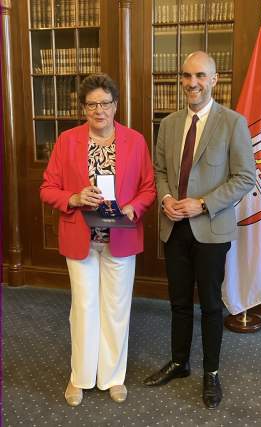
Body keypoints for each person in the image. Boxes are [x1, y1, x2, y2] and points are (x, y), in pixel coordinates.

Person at [143, 51, 256, 409]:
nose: (193, 83)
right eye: (187, 76)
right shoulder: (170, 122)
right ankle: (179, 362)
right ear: (181, 80)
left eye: (201, 76)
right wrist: (165, 198)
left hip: (211, 230)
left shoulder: (233, 123)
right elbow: (159, 169)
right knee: (178, 302)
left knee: (209, 305)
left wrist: (203, 203)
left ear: (214, 80)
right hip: (173, 227)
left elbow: (245, 177)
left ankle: (211, 373)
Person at [40, 74, 156, 406]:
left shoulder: (135, 141)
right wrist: (74, 198)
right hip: (81, 238)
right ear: (83, 108)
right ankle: (80, 377)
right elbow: (47, 188)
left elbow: (148, 187)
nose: (99, 110)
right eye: (91, 104)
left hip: (121, 236)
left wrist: (135, 207)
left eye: (105, 103)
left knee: (116, 308)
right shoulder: (67, 141)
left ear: (115, 106)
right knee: (84, 307)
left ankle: (112, 377)